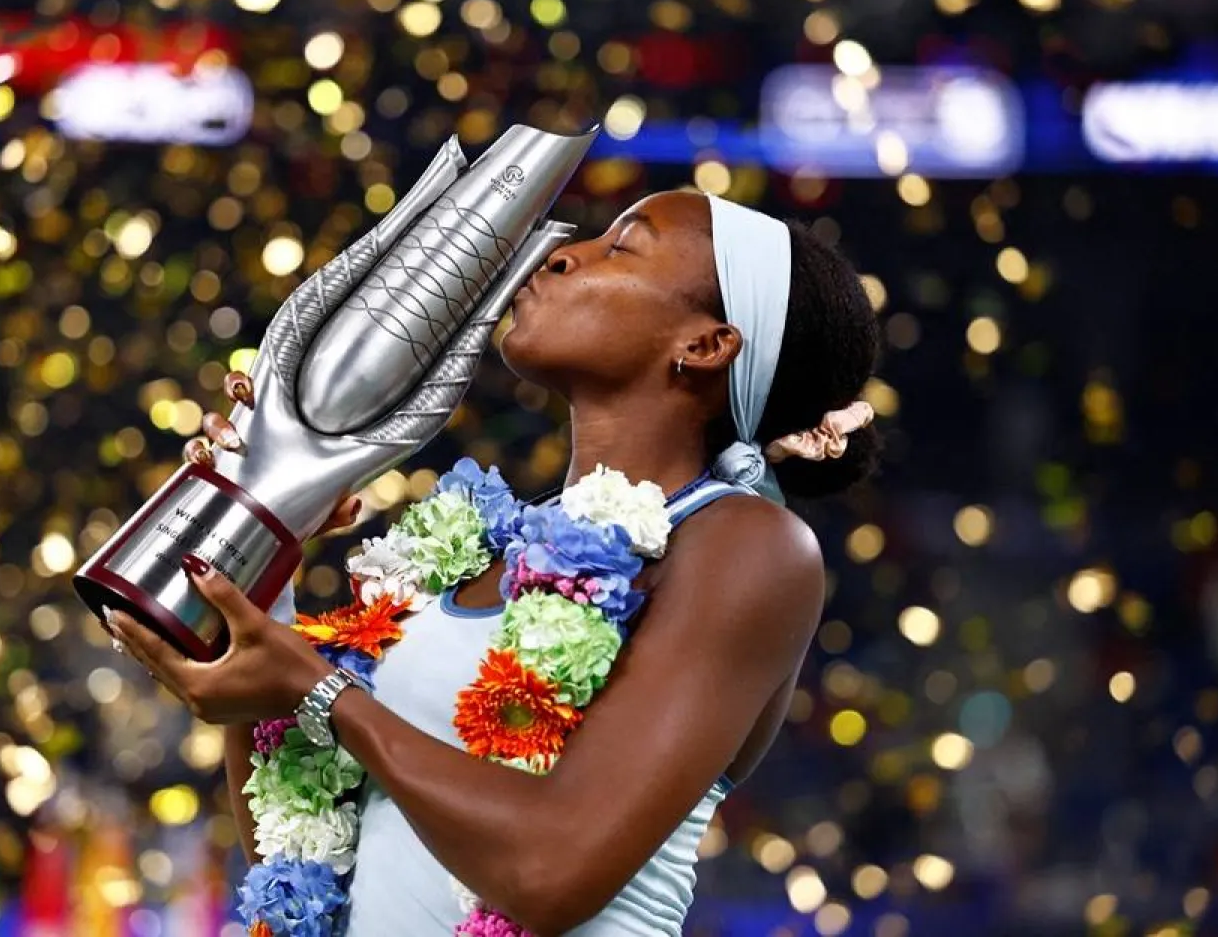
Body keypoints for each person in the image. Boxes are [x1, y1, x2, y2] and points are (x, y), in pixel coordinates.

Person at [107, 190, 881, 936]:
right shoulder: (480, 547)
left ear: (705, 344)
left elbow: (550, 871)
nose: (560, 255)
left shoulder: (749, 545)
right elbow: (296, 858)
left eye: (620, 246)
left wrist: (319, 689)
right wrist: (261, 551)